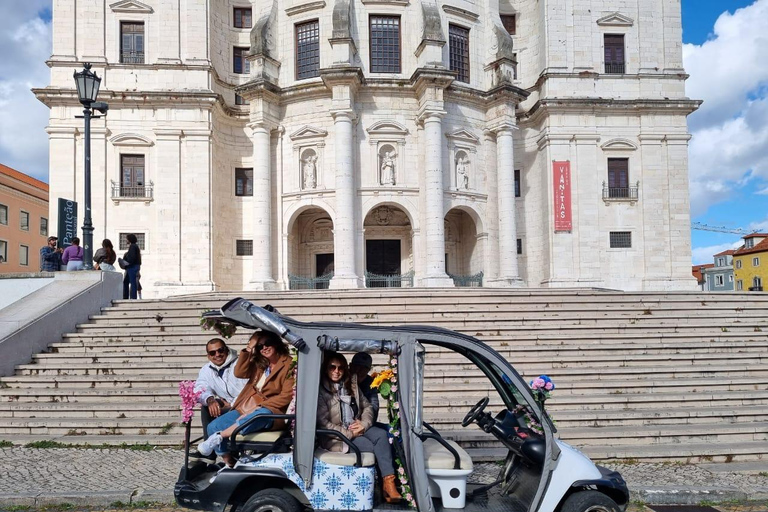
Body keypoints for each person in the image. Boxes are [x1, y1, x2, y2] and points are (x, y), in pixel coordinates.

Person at [198, 330, 294, 467]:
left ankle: (220, 436)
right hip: (248, 406)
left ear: (277, 343)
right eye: (260, 346)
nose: (264, 348)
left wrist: (259, 407)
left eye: (268, 343)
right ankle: (229, 463)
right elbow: (239, 372)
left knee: (259, 415)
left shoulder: (289, 364)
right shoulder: (261, 363)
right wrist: (249, 347)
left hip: (273, 410)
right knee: (214, 426)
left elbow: (286, 395)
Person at [317, 353, 402, 503]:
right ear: (326, 369)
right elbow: (323, 422)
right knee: (375, 446)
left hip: (356, 427)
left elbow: (368, 406)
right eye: (332, 367)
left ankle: (389, 483)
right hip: (339, 437)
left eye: (340, 368)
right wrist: (349, 433)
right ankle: (382, 485)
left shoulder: (351, 384)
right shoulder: (321, 390)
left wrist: (363, 424)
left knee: (382, 435)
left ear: (345, 369)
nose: (336, 371)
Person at [194, 338, 248, 439]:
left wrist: (232, 404)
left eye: (220, 350)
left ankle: (217, 443)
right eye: (212, 353)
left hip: (246, 407)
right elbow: (200, 388)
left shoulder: (240, 364)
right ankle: (208, 444)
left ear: (227, 350)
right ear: (208, 356)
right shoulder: (206, 369)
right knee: (207, 408)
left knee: (214, 425)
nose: (217, 354)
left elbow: (250, 390)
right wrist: (210, 399)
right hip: (229, 407)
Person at [349, 352, 379, 422]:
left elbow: (374, 405)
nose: (360, 371)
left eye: (364, 368)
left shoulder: (370, 382)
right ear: (350, 366)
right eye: (357, 366)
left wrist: (363, 422)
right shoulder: (342, 379)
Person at [122, 234, 141, 299]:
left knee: (132, 282)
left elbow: (132, 258)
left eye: (127, 239)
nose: (126, 240)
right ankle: (126, 297)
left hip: (132, 267)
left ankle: (132, 297)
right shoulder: (135, 246)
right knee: (126, 281)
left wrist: (127, 263)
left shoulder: (132, 246)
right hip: (133, 266)